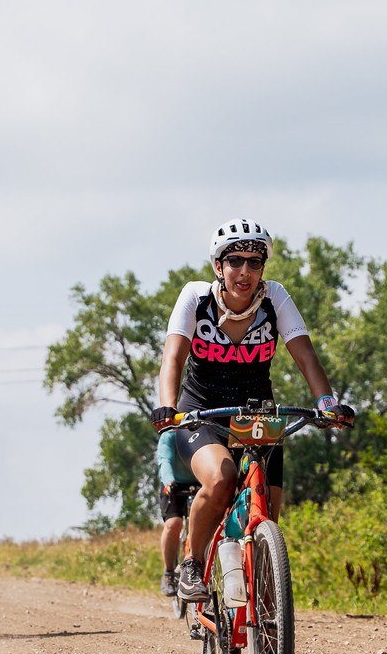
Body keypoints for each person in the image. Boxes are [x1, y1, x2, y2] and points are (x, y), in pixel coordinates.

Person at [151, 218, 354, 602]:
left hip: (256, 414)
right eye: (235, 261)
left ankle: (266, 623)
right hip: (202, 415)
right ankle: (191, 564)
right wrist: (166, 405)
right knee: (223, 477)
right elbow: (172, 359)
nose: (245, 271)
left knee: (268, 513)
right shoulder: (196, 298)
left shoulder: (275, 298)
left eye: (255, 262)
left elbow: (307, 358)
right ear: (218, 266)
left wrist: (328, 405)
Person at [156, 428, 198, 597]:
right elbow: (165, 460)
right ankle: (168, 573)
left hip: (201, 481)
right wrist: (169, 481)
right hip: (174, 483)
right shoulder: (170, 435)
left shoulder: (204, 430)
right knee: (174, 524)